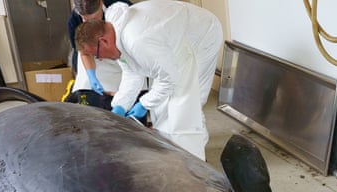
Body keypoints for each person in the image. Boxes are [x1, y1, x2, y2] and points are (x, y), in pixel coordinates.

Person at [74, 0, 223, 160]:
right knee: (162, 107)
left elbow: (170, 79)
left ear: (104, 41)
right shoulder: (116, 34)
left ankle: (195, 162)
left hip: (200, 37)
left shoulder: (137, 40)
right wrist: (120, 104)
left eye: (97, 54)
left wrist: (144, 104)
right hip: (174, 42)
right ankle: (174, 152)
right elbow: (132, 71)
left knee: (186, 106)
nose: (100, 59)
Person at [66, 0, 130, 95]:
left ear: (101, 3)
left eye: (95, 18)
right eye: (86, 20)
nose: (91, 24)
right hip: (92, 58)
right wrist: (91, 75)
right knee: (86, 87)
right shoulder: (74, 20)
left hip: (123, 54)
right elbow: (84, 53)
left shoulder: (120, 9)